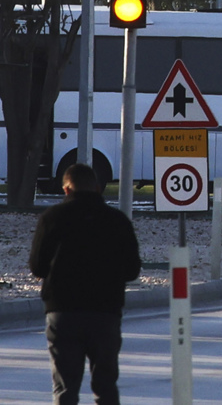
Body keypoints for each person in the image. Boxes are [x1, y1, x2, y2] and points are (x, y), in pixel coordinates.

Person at [29, 162, 141, 405]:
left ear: (66, 190)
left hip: (62, 312)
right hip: (105, 313)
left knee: (65, 388)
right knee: (105, 386)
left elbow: (37, 266)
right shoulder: (117, 221)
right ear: (98, 189)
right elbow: (132, 270)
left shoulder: (52, 218)